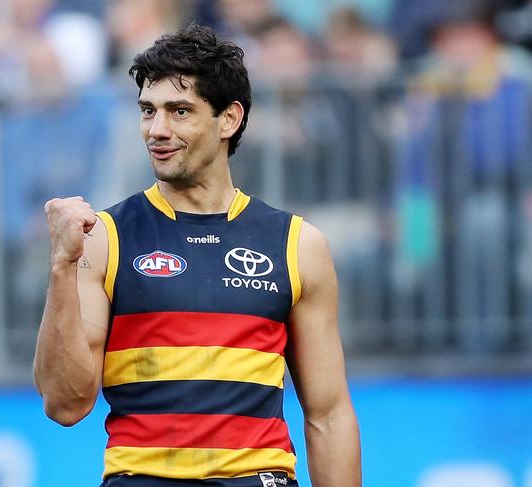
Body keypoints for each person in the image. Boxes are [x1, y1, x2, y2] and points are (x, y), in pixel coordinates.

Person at [33, 24, 361, 487]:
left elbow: (329, 415)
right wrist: (61, 266)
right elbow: (64, 405)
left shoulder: (298, 244)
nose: (157, 130)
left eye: (179, 111)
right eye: (148, 111)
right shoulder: (103, 239)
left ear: (228, 118)